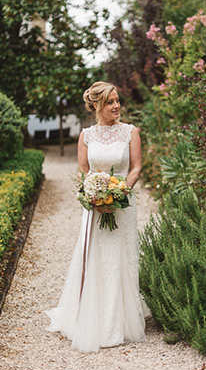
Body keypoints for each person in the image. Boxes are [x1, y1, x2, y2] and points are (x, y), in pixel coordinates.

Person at [46, 81, 146, 352]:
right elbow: (84, 172)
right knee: (95, 255)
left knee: (122, 255)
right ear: (96, 106)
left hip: (122, 204)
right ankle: (91, 314)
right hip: (95, 207)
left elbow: (136, 168)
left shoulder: (130, 132)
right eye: (111, 102)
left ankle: (120, 320)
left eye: (117, 100)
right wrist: (94, 197)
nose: (117, 106)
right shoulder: (86, 135)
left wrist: (118, 194)